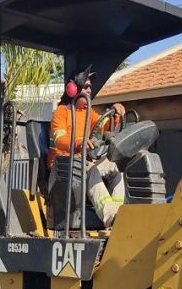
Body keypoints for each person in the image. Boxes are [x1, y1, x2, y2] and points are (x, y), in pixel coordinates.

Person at [48, 66, 126, 228]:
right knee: (91, 171)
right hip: (62, 167)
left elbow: (105, 125)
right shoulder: (61, 113)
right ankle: (112, 217)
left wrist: (116, 114)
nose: (90, 90)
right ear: (72, 89)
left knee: (114, 168)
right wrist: (79, 142)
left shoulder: (89, 112)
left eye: (90, 87)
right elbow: (59, 139)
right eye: (86, 86)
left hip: (83, 162)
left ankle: (121, 213)